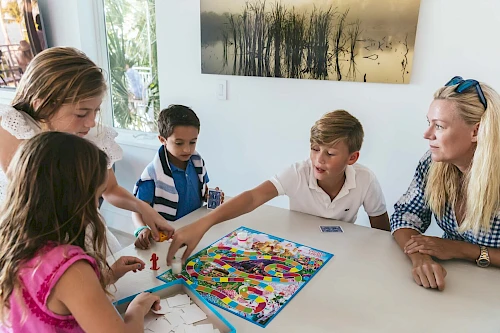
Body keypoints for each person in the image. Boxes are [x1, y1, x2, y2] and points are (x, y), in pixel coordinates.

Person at [0, 47, 173, 253]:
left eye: (96, 111)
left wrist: (142, 207)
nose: (91, 122)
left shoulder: (88, 135)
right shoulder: (16, 129)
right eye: (81, 113)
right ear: (42, 106)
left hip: (87, 235)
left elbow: (110, 189)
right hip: (41, 245)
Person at [167, 109, 390, 264]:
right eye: (314, 149)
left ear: (352, 158)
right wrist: (203, 224)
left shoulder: (365, 179)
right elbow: (253, 198)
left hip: (340, 253)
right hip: (297, 252)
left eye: (330, 154)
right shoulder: (297, 172)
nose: (318, 160)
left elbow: (382, 232)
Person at [0, 132, 160, 331]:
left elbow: (55, 298)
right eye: (97, 196)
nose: (97, 205)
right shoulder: (70, 268)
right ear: (73, 200)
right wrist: (137, 307)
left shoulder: (11, 245)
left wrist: (106, 276)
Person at [390, 76, 500, 291]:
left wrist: (462, 249)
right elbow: (405, 215)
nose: (427, 134)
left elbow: (454, 248)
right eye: (428, 123)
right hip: (454, 283)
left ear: (476, 131)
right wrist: (420, 257)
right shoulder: (431, 163)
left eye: (439, 126)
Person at [132, 105, 222, 249]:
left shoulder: (197, 162)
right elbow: (137, 208)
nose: (187, 149)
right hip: (167, 239)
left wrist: (211, 197)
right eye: (179, 143)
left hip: (194, 232)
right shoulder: (152, 174)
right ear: (163, 139)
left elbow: (202, 191)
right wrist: (141, 229)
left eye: (193, 142)